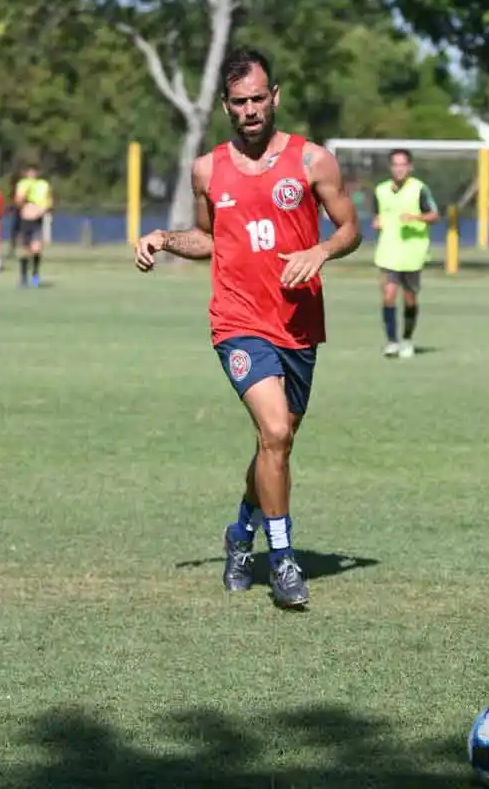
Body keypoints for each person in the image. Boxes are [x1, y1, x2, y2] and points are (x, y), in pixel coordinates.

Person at [133, 47, 361, 608]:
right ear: (226, 106)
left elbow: (352, 227)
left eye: (260, 98)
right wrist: (164, 239)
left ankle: (240, 534)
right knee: (276, 434)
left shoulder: (313, 161)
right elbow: (208, 238)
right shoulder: (208, 168)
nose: (252, 109)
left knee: (274, 444)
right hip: (237, 321)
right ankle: (283, 561)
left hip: (300, 325)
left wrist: (322, 249)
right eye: (240, 102)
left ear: (275, 96)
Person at [373, 149, 439, 358]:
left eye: (403, 164)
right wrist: (377, 222)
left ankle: (407, 339)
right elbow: (379, 215)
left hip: (412, 254)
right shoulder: (381, 190)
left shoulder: (419, 189)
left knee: (410, 299)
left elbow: (434, 215)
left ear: (410, 167)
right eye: (395, 164)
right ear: (390, 167)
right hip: (388, 252)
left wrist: (416, 218)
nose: (399, 168)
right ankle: (392, 341)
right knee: (389, 296)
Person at [13, 165, 52, 287]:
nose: (31, 174)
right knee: (25, 250)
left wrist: (43, 210)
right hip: (25, 220)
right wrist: (22, 201)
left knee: (36, 249)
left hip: (38, 219)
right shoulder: (22, 184)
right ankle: (23, 277)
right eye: (29, 171)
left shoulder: (43, 184)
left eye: (34, 171)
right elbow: (18, 201)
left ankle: (35, 274)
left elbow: (49, 200)